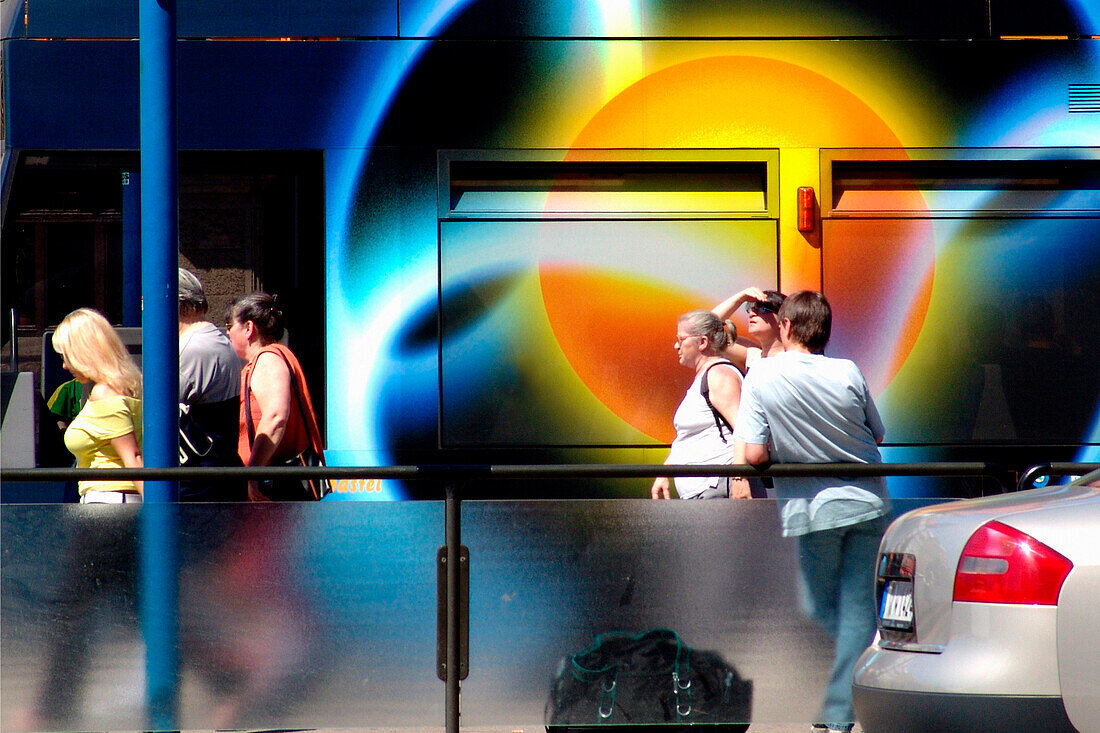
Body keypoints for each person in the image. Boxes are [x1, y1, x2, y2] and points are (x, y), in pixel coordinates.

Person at [732, 291, 888, 733]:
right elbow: (878, 432)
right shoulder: (848, 370)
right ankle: (844, 707)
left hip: (814, 508)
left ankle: (844, 703)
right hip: (870, 500)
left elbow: (754, 454)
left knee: (819, 606)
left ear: (785, 327)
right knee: (857, 607)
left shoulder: (762, 376)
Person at [227, 292, 325, 501]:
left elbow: (275, 418)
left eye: (229, 326)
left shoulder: (268, 359)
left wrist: (253, 475)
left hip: (275, 485)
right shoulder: (274, 356)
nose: (228, 334)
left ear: (248, 328)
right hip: (275, 482)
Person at [51, 308, 144, 503]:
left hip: (109, 503)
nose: (64, 366)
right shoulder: (127, 386)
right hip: (114, 503)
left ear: (84, 353)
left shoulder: (105, 394)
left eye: (66, 356)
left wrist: (161, 516)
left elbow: (133, 459)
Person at [651, 310, 744, 500]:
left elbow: (744, 431)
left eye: (681, 339)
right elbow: (690, 438)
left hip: (719, 487)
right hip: (703, 492)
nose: (676, 346)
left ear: (702, 342)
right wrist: (665, 472)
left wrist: (740, 478)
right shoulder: (705, 376)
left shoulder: (719, 375)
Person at [178, 268, 247, 501]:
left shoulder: (192, 348)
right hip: (216, 471)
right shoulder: (216, 338)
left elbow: (152, 408)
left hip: (197, 481)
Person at [712, 286, 786, 370]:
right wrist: (740, 298)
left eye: (762, 309)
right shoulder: (753, 356)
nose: (752, 313)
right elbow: (705, 330)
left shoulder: (796, 358)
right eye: (750, 309)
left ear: (783, 320)